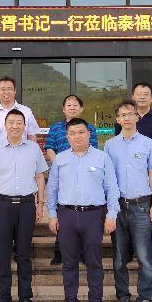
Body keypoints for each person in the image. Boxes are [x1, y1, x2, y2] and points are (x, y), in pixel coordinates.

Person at [46, 118, 120, 302]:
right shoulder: (60, 159)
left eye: (81, 132)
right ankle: (71, 301)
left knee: (94, 261)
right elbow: (52, 189)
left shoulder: (102, 158)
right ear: (67, 136)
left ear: (88, 134)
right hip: (67, 215)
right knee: (69, 262)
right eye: (72, 133)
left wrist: (111, 215)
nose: (76, 136)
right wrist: (52, 215)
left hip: (93, 215)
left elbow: (112, 188)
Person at [0, 109, 48, 302]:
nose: (15, 126)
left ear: (25, 126)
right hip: (2, 205)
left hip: (27, 205)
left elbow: (40, 176)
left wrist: (40, 204)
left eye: (19, 122)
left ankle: (25, 299)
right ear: (5, 125)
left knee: (24, 254)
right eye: (11, 122)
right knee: (2, 254)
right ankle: (3, 299)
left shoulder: (34, 148)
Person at [104, 100, 152, 302]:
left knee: (144, 257)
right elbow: (107, 179)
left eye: (130, 113)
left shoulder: (148, 143)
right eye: (122, 114)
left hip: (142, 205)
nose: (127, 117)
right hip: (118, 206)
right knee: (119, 257)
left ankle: (145, 299)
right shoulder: (110, 145)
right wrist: (108, 209)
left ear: (137, 117)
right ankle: (123, 297)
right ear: (117, 119)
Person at [0, 76, 40, 264]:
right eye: (2, 89)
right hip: (0, 165)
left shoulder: (26, 111)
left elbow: (32, 136)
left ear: (15, 91)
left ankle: (20, 251)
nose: (6, 92)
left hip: (22, 163)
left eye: (9, 88)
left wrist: (33, 163)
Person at [113, 81, 152, 270]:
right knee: (122, 244)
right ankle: (128, 252)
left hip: (151, 174)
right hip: (123, 191)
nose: (142, 96)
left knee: (151, 223)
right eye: (138, 93)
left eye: (146, 94)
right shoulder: (113, 141)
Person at [44, 94, 98, 265]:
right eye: (69, 105)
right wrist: (61, 165)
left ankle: (83, 253)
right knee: (63, 211)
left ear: (81, 109)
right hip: (62, 175)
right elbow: (49, 148)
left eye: (75, 105)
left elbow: (94, 150)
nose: (72, 107)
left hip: (85, 176)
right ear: (64, 109)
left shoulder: (89, 128)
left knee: (81, 212)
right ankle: (59, 251)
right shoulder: (56, 128)